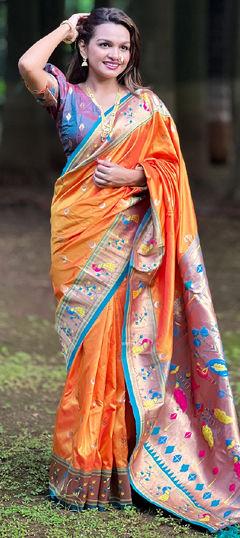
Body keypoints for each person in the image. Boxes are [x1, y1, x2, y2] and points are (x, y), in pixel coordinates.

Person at [18, 7, 240, 533]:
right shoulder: (64, 95)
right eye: (103, 45)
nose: (114, 55)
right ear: (85, 49)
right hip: (77, 240)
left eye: (123, 47)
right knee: (87, 351)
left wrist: (135, 173)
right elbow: (28, 64)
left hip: (134, 242)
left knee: (122, 348)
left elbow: (172, 171)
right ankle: (86, 469)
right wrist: (64, 28)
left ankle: (118, 468)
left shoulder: (148, 108)